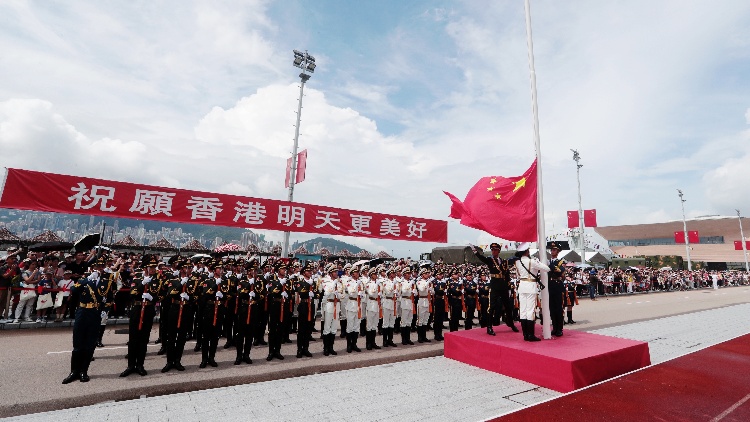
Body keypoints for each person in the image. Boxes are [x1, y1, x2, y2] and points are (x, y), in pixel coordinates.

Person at [62, 257, 105, 384]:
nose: (99, 269)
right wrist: (87, 279)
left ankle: (83, 371)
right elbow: (74, 290)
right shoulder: (83, 280)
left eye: (101, 267)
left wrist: (104, 310)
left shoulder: (105, 282)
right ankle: (73, 371)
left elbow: (108, 298)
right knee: (77, 344)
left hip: (95, 314)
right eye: (97, 267)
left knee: (90, 345)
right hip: (82, 312)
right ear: (92, 268)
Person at [120, 256, 160, 377]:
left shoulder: (156, 280)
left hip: (148, 309)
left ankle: (140, 365)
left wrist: (152, 298)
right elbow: (132, 293)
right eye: (151, 267)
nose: (153, 269)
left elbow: (160, 295)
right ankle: (131, 365)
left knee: (144, 338)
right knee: (133, 338)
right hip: (137, 309)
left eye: (154, 267)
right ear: (145, 267)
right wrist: (142, 284)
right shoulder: (137, 278)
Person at [471, 243, 519, 335]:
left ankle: (511, 323)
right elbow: (482, 258)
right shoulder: (490, 260)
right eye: (492, 250)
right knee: (491, 307)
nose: (494, 251)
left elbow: (506, 273)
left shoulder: (502, 261)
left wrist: (508, 286)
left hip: (503, 286)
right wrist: (475, 252)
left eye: (495, 250)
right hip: (494, 286)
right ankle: (489, 327)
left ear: (499, 251)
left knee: (508, 306)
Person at [514, 243, 549, 342]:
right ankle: (531, 335)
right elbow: (547, 268)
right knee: (530, 311)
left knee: (523, 311)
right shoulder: (532, 261)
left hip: (521, 286)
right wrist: (538, 262)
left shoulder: (517, 262)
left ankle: (525, 335)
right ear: (527, 251)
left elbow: (518, 274)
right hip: (530, 286)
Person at [320, 263, 342, 356]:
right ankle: (325, 348)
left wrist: (338, 294)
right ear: (330, 273)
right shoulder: (325, 281)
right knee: (327, 327)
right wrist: (334, 285)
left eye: (336, 271)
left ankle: (331, 347)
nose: (336, 273)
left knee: (334, 328)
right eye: (335, 272)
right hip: (329, 304)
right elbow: (327, 292)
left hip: (337, 305)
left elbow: (342, 295)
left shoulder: (339, 282)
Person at [294, 263, 315, 358]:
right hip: (303, 305)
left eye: (311, 271)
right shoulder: (300, 282)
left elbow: (318, 293)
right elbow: (300, 292)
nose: (310, 272)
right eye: (308, 271)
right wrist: (308, 289)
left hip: (311, 305)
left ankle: (306, 348)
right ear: (303, 272)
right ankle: (299, 349)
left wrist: (314, 293)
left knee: (308, 329)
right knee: (301, 329)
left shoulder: (313, 282)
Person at [547, 242, 566, 337]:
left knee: (558, 308)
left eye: (554, 250)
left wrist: (550, 267)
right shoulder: (548, 261)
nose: (552, 251)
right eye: (551, 250)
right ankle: (554, 327)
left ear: (558, 252)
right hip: (550, 285)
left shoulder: (560, 262)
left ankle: (559, 328)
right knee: (552, 308)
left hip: (557, 285)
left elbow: (560, 272)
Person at [380, 267, 399, 347]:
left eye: (394, 273)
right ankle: (385, 341)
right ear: (389, 274)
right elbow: (387, 292)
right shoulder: (385, 282)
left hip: (394, 303)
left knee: (392, 323)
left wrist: (397, 291)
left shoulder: (396, 282)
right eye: (393, 273)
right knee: (386, 323)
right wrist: (393, 288)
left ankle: (390, 340)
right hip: (387, 302)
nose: (394, 274)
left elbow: (400, 292)